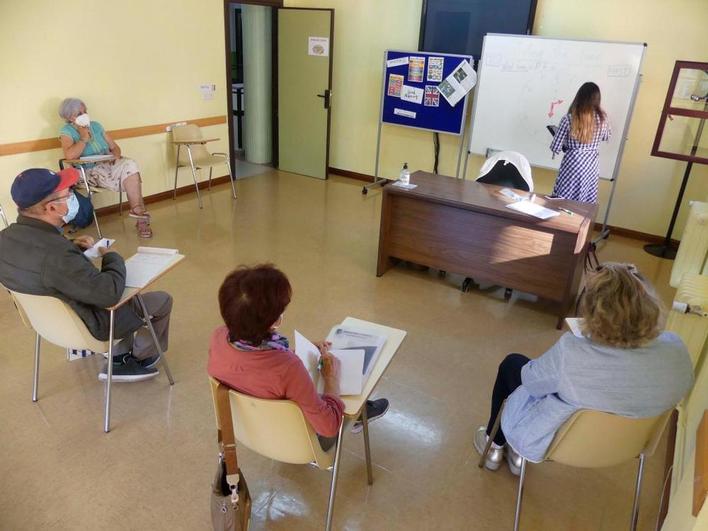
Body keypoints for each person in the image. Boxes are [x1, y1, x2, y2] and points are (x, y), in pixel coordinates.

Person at [474, 262, 693, 475]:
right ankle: (515, 456)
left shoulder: (572, 352)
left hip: (556, 443)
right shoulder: (676, 350)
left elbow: (531, 382)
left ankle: (495, 446)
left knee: (513, 365)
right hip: (625, 447)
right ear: (648, 304)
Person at [0, 168, 173, 382]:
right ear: (52, 207)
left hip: (46, 324)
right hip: (89, 326)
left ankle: (122, 353)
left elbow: (39, 265)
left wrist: (71, 246)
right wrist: (112, 257)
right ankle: (134, 360)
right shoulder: (58, 254)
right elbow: (108, 294)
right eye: (68, 195)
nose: (72, 198)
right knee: (160, 300)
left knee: (124, 296)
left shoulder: (5, 239)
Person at [208, 264, 389, 449]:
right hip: (298, 442)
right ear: (274, 321)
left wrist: (295, 352)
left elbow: (254, 368)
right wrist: (331, 379)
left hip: (247, 431)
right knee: (353, 387)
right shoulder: (288, 368)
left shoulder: (218, 338)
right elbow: (329, 428)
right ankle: (360, 414)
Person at [58, 97, 153, 238]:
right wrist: (83, 138)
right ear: (70, 117)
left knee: (130, 165)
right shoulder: (67, 131)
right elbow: (70, 156)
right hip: (88, 172)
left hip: (107, 165)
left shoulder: (96, 126)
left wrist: (115, 156)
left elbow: (115, 147)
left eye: (85, 111)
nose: (84, 115)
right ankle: (140, 217)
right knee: (132, 177)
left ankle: (137, 211)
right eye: (79, 113)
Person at [549, 82, 611, 203]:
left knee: (564, 199)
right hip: (592, 165)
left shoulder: (568, 118)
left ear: (579, 97)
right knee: (586, 199)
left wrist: (560, 136)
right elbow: (606, 137)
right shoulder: (602, 118)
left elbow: (555, 147)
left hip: (573, 163)